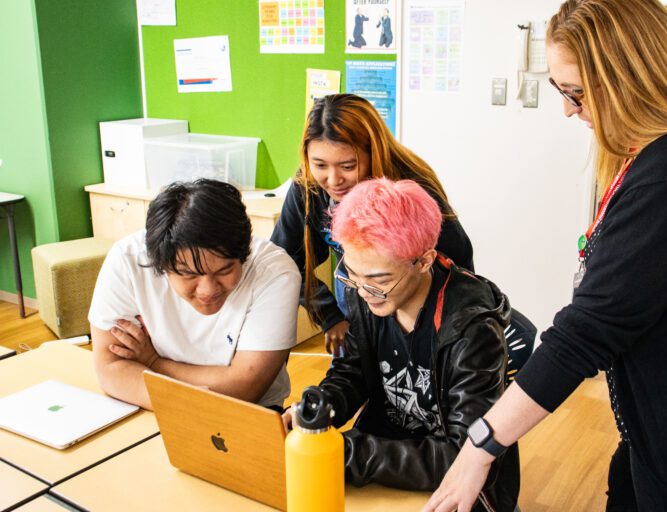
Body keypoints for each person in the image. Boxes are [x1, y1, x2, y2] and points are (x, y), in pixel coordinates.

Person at [425, 0, 667, 511]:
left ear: (635, 76)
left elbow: (586, 332)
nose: (568, 110)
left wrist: (482, 445)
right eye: (561, 92)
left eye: (577, 94)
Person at [283, 178, 520, 510]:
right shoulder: (365, 293)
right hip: (386, 455)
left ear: (423, 261)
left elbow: (461, 454)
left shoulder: (472, 330)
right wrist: (320, 409)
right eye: (351, 273)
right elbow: (353, 372)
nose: (363, 292)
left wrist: (349, 453)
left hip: (453, 479)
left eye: (379, 280)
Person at [270, 93, 473, 356]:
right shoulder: (307, 186)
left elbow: (458, 263)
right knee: (354, 372)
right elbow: (283, 258)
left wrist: (441, 332)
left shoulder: (410, 192)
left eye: (348, 165)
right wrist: (329, 315)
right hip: (356, 289)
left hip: (412, 301)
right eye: (319, 164)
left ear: (373, 153)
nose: (333, 180)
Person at [89, 179, 301, 411]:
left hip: (248, 413)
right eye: (188, 274)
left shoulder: (275, 272)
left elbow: (244, 387)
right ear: (158, 262)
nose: (208, 290)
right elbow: (110, 366)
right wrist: (181, 399)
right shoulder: (128, 260)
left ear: (245, 253)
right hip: (148, 408)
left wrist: (152, 363)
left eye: (224, 270)